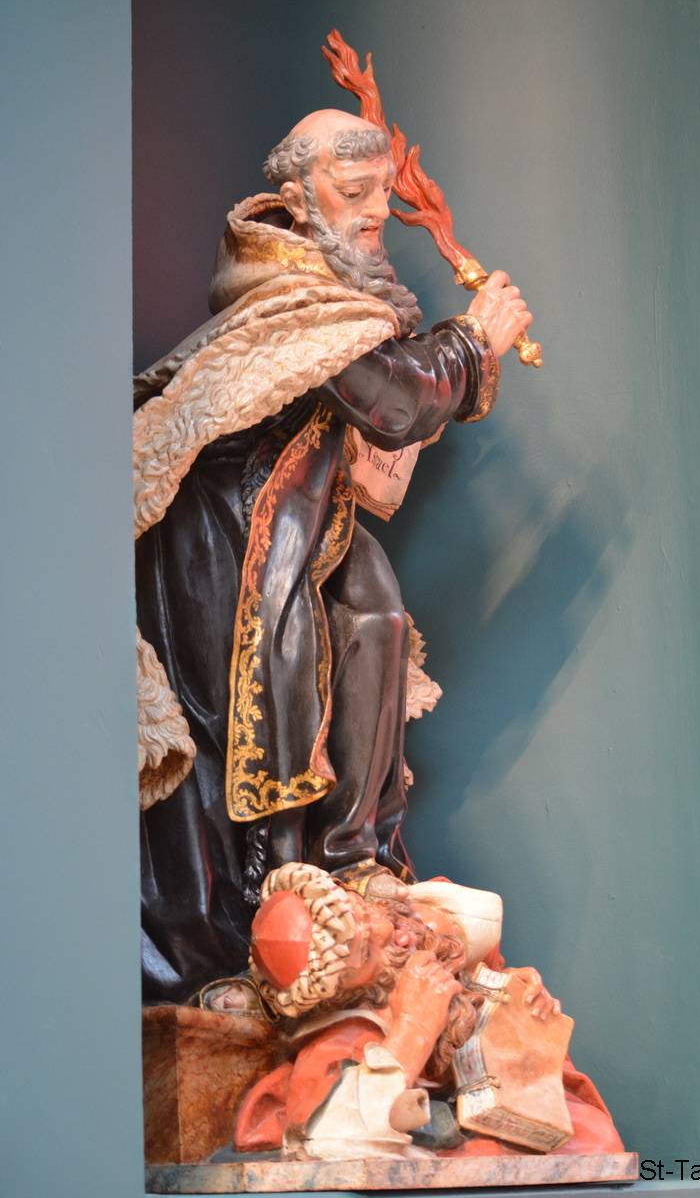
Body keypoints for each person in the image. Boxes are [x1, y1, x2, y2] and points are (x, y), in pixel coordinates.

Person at [135, 108, 532, 1003]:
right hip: (228, 539)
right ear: (294, 199)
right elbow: (388, 398)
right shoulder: (283, 298)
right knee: (259, 717)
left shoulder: (341, 296)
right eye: (354, 192)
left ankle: (354, 862)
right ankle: (259, 927)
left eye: (382, 194)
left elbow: (390, 402)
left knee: (377, 623)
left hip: (307, 520)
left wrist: (452, 351)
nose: (376, 213)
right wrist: (473, 340)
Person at [230, 862, 624, 1161]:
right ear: (348, 996)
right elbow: (333, 1137)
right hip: (445, 1127)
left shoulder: (424, 917)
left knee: (594, 1137)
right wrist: (414, 1026)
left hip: (504, 1089)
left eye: (368, 914)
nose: (401, 935)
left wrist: (512, 992)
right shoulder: (340, 1041)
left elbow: (479, 973)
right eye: (369, 953)